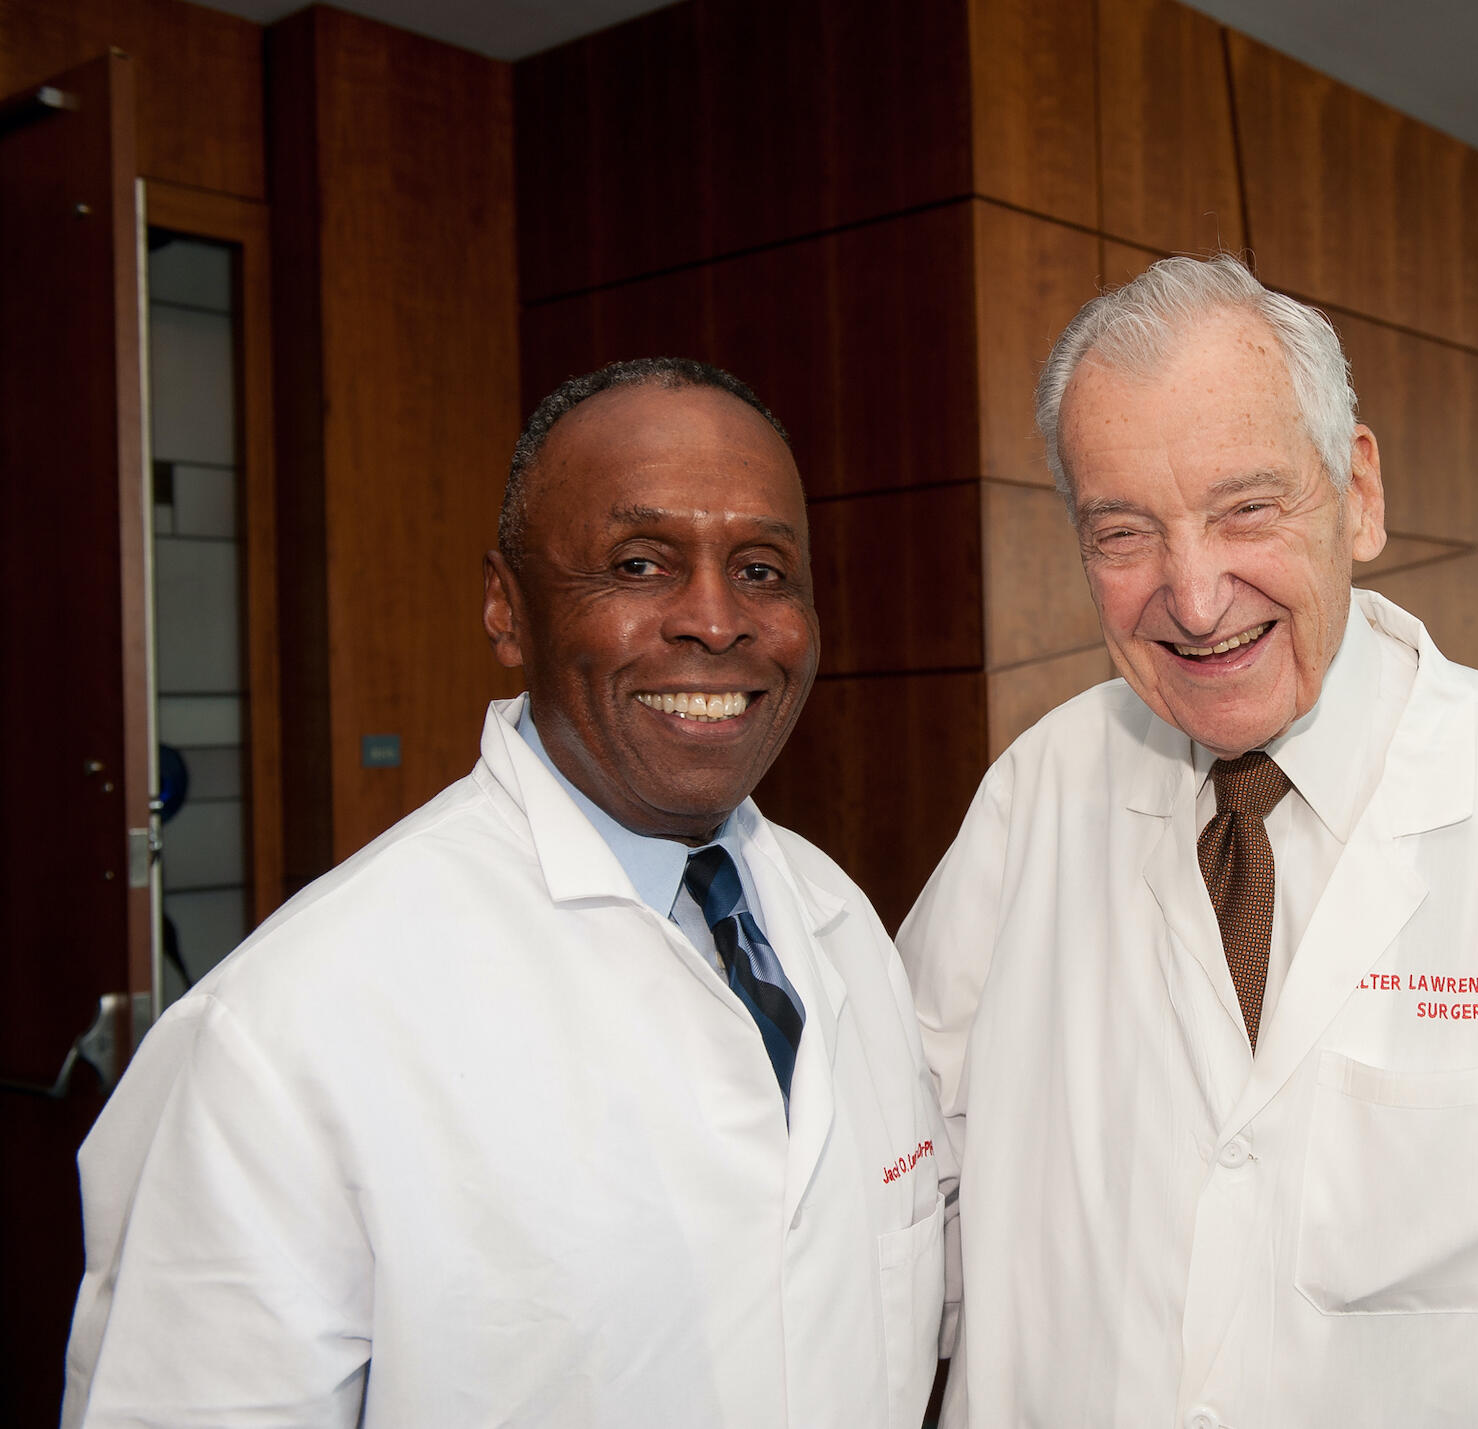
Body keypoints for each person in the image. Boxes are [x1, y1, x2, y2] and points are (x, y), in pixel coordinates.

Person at [899, 256, 1478, 1427]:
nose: (1191, 597)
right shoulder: (1033, 794)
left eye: (1245, 507)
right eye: (1123, 531)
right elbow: (898, 1197)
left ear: (1356, 494)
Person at [64, 359, 951, 1428]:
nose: (717, 621)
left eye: (762, 570)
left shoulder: (837, 921)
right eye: (638, 562)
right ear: (506, 608)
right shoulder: (283, 1032)